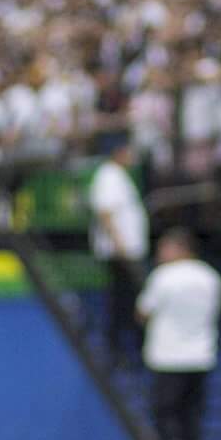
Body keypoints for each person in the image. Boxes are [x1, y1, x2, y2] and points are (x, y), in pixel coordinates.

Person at [135, 229, 221, 440]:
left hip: (168, 356)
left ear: (180, 249)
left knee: (165, 411)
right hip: (201, 354)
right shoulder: (211, 277)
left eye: (165, 248)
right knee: (192, 412)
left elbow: (143, 312)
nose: (161, 254)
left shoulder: (163, 277)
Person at [87, 139, 150, 357]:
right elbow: (106, 212)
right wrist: (120, 244)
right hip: (120, 252)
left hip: (125, 249)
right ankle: (118, 347)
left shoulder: (119, 176)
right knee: (125, 298)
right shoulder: (108, 176)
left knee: (125, 298)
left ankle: (123, 346)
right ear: (119, 152)